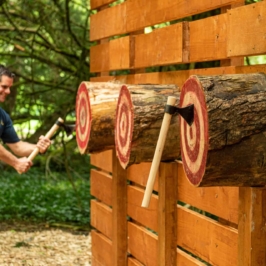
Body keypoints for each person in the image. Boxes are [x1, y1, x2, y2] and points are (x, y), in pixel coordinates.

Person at [0, 64, 51, 173]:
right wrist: (16, 162)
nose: (8, 91)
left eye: (9, 88)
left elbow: (18, 147)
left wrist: (38, 148)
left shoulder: (3, 116)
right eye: (4, 87)